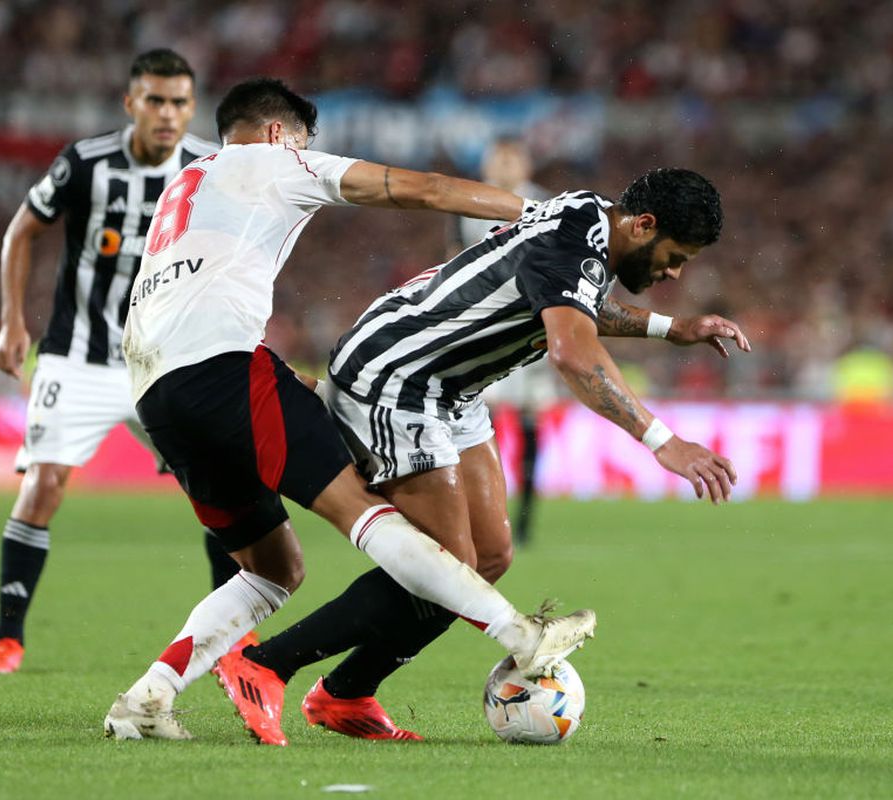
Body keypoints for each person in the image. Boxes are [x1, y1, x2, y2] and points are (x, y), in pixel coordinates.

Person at [101, 77, 598, 743]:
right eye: (304, 141)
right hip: (222, 369)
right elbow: (420, 188)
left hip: (155, 392)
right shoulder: (276, 159)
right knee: (367, 513)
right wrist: (538, 213)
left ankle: (146, 699)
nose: (306, 152)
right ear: (280, 133)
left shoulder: (188, 183)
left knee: (275, 569)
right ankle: (519, 632)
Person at [213, 169, 749, 743]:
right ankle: (266, 664)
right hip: (398, 377)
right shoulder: (574, 244)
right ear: (643, 225)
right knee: (450, 562)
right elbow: (572, 352)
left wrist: (672, 328)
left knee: (488, 557)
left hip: (452, 389)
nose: (674, 272)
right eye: (676, 256)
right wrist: (663, 441)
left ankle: (346, 694)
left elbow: (580, 307)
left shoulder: (590, 227)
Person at [0, 49, 242, 675]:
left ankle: (229, 639)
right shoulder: (85, 163)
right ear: (131, 104)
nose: (167, 114)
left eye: (178, 102)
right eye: (154, 100)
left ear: (192, 108)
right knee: (43, 487)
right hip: (80, 358)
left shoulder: (208, 167)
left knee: (226, 490)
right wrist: (13, 321)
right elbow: (21, 231)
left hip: (166, 361)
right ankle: (7, 640)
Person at [449, 137, 558, 546]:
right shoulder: (468, 204)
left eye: (513, 158)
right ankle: (485, 516)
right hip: (484, 334)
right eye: (499, 159)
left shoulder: (549, 207)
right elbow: (453, 264)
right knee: (482, 428)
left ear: (526, 164)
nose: (506, 166)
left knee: (530, 429)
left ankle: (526, 522)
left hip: (532, 334)